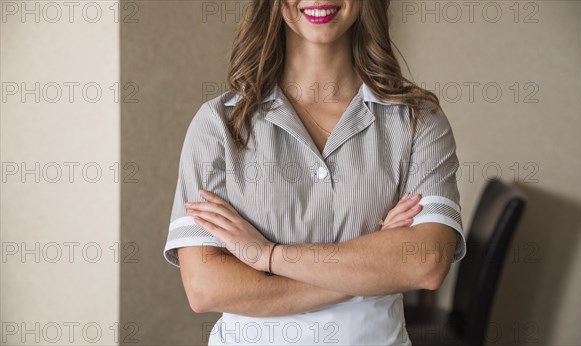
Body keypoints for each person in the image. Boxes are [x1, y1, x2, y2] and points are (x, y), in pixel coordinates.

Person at [163, 1, 467, 344]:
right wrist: (371, 267)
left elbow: (424, 263)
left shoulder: (418, 121)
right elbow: (205, 288)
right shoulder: (218, 124)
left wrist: (267, 256)